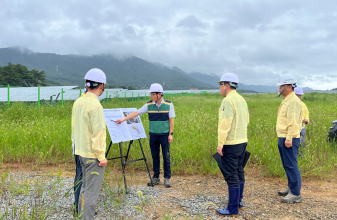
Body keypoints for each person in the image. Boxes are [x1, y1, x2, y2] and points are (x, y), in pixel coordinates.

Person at [116, 83, 175, 188]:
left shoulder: (169, 105)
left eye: (153, 94)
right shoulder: (148, 105)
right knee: (155, 156)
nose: (151, 96)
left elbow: (171, 120)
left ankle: (167, 178)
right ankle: (156, 177)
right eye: (151, 94)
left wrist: (170, 134)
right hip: (153, 135)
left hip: (164, 135)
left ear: (159, 94)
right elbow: (136, 113)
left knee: (166, 156)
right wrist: (123, 119)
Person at [73, 68, 108, 219]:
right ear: (101, 86)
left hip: (80, 152)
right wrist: (101, 157)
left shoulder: (78, 102)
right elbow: (98, 133)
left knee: (83, 189)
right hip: (92, 156)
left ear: (87, 85)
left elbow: (75, 128)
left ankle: (80, 216)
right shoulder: (96, 106)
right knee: (91, 194)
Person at [215, 73, 249, 217]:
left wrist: (220, 143)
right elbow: (246, 120)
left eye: (220, 85)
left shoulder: (228, 101)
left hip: (231, 143)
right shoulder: (241, 99)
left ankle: (232, 209)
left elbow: (225, 123)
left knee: (231, 175)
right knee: (239, 171)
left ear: (227, 85)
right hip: (242, 141)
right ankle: (238, 202)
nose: (220, 88)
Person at [276, 74, 303, 203]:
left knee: (291, 165)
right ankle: (291, 188)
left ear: (288, 86)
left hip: (289, 138)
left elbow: (293, 121)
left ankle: (295, 193)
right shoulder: (287, 99)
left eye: (281, 86)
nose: (279, 88)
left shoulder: (293, 101)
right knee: (287, 165)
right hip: (283, 136)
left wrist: (289, 138)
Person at [71, 86, 87, 216]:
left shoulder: (77, 102)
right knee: (83, 178)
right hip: (84, 147)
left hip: (76, 145)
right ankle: (80, 208)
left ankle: (78, 206)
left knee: (79, 176)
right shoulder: (86, 104)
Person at [294, 87, 310, 154]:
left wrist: (307, 119)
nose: (299, 97)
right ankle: (295, 155)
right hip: (295, 127)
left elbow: (306, 113)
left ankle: (301, 155)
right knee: (295, 143)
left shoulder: (303, 104)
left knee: (302, 143)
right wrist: (300, 119)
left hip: (302, 127)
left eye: (300, 95)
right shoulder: (291, 104)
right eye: (297, 95)